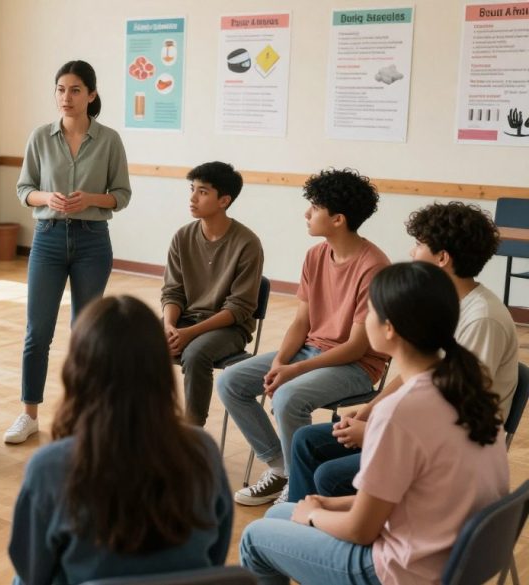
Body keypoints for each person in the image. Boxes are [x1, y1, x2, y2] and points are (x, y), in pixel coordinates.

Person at [239, 261, 509, 585]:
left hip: (401, 568)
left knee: (255, 537)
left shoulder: (399, 411)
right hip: (448, 553)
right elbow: (408, 498)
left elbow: (360, 530)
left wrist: (313, 514)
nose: (365, 319)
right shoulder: (466, 385)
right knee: (278, 515)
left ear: (389, 328)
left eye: (369, 311)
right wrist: (327, 504)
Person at [287, 201, 519, 502]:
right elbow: (420, 370)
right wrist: (370, 411)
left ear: (442, 258)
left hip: (445, 444)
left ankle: (330, 531)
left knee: (330, 476)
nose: (412, 253)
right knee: (306, 440)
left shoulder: (481, 319)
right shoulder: (440, 302)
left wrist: (375, 431)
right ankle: (301, 524)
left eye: (419, 244)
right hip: (419, 424)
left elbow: (456, 409)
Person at [9, 296, 233, 585]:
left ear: (78, 372)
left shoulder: (50, 468)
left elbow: (32, 574)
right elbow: (215, 559)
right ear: (162, 371)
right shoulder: (204, 452)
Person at [216, 168, 389, 505]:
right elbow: (300, 322)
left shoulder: (374, 266)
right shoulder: (315, 254)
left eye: (314, 207)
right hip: (309, 351)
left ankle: (299, 485)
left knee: (288, 397)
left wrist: (292, 372)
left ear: (338, 219)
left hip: (355, 365)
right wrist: (280, 362)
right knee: (231, 382)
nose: (306, 214)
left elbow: (356, 347)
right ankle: (281, 467)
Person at [8, 59, 132, 444]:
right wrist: (49, 198)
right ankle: (29, 413)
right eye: (61, 89)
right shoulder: (40, 137)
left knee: (86, 333)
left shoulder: (109, 140)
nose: (66, 97)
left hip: (93, 240)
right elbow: (24, 188)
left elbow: (122, 196)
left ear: (91, 95)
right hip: (47, 237)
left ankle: (83, 412)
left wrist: (91, 199)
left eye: (76, 89)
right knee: (37, 331)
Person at [161, 161, 264, 426]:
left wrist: (189, 333)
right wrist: (169, 325)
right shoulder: (182, 236)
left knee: (195, 354)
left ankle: (191, 435)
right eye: (192, 189)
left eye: (203, 192)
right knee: (134, 344)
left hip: (229, 329)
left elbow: (239, 308)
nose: (193, 198)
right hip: (184, 322)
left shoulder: (247, 243)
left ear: (224, 200)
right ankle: (146, 428)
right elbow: (173, 292)